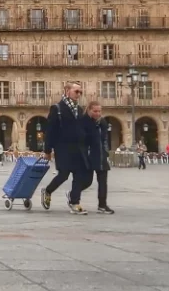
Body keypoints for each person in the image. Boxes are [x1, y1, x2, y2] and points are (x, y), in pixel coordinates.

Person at [41, 81, 93, 215]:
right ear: (67, 91)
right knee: (63, 175)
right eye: (76, 91)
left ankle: (74, 202)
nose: (79, 94)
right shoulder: (57, 108)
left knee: (79, 176)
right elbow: (50, 131)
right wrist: (47, 150)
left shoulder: (80, 109)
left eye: (80, 92)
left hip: (79, 149)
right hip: (63, 148)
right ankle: (47, 191)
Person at [83, 101, 114, 215]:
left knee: (103, 182)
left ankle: (102, 205)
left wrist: (106, 152)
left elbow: (104, 139)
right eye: (95, 111)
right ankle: (73, 195)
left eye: (99, 111)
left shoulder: (103, 122)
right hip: (89, 156)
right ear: (89, 110)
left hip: (101, 155)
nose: (98, 113)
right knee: (87, 181)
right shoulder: (85, 121)